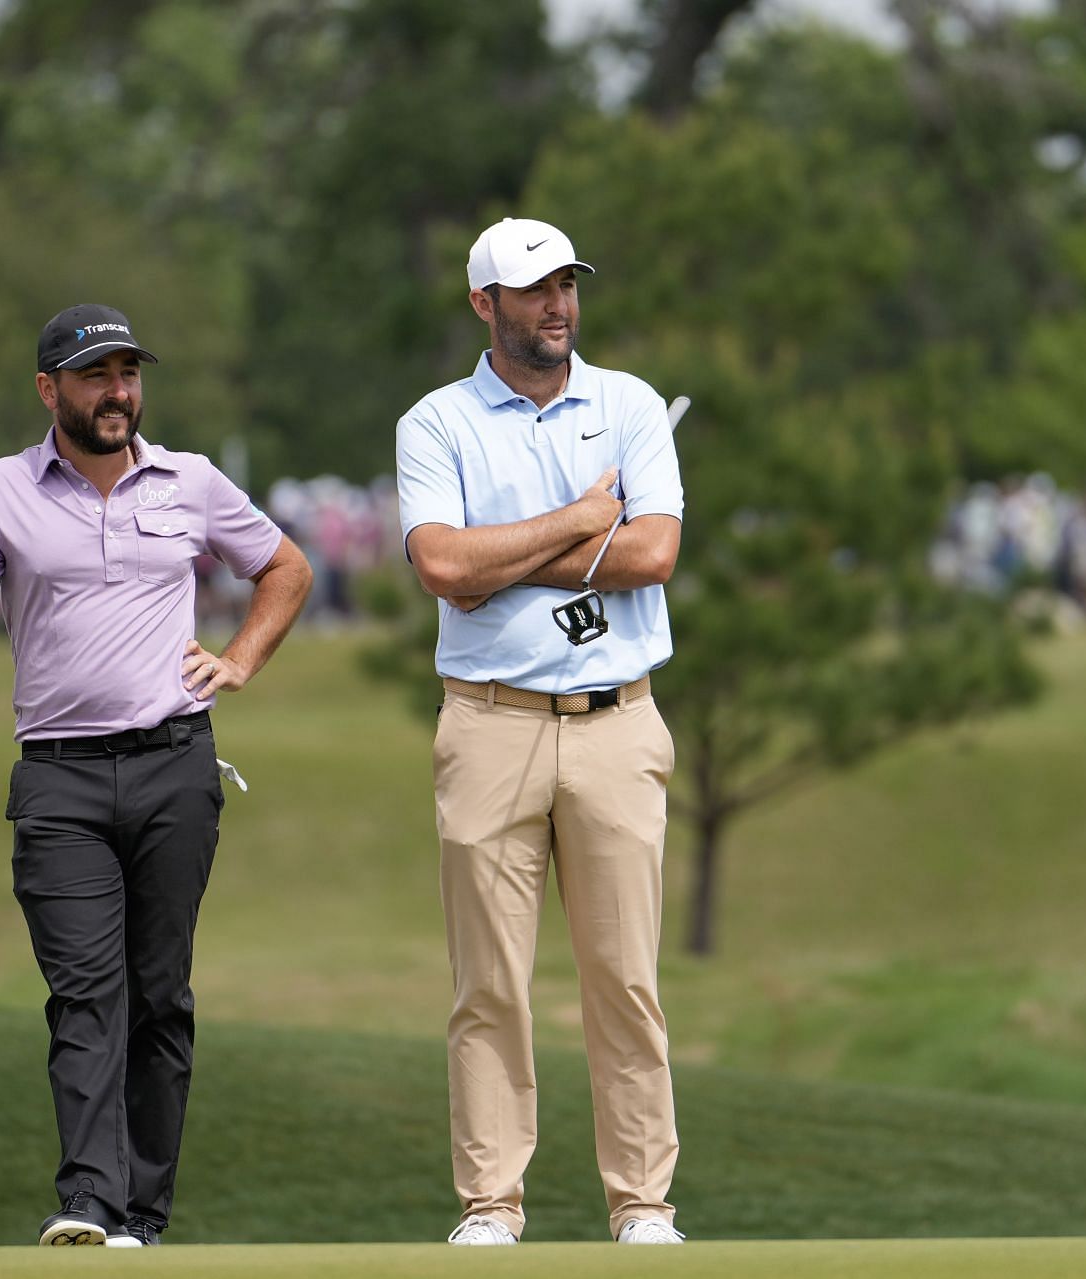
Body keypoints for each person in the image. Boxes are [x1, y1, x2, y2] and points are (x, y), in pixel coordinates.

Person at [0, 304, 312, 1249]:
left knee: (160, 992)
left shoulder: (191, 480)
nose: (118, 393)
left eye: (129, 374)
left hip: (175, 767)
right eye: (97, 376)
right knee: (85, 990)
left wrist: (241, 659)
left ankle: (143, 1213)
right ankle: (91, 1203)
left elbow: (287, 568)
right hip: (58, 783)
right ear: (48, 388)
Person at [394, 218, 687, 1247]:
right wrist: (574, 519)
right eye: (533, 289)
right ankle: (491, 1204)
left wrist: (501, 555)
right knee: (489, 986)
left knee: (626, 980)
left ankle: (643, 1203)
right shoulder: (435, 423)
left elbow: (651, 552)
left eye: (567, 284)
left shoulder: (630, 404)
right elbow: (440, 568)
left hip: (617, 719)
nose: (557, 303)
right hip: (489, 722)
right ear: (486, 304)